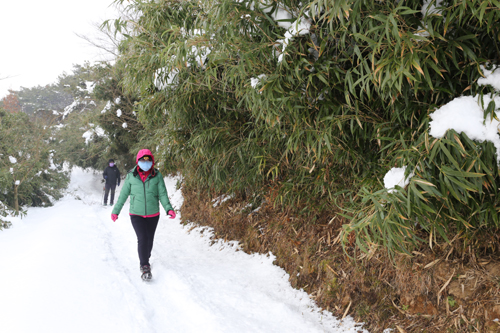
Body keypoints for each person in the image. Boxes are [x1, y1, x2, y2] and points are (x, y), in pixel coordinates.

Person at [111, 149, 176, 281]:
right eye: (143, 160)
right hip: (136, 214)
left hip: (153, 214)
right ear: (138, 161)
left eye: (148, 160)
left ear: (152, 161)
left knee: (149, 239)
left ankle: (145, 256)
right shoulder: (131, 176)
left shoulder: (157, 175)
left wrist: (168, 208)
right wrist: (116, 211)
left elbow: (162, 194)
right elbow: (123, 195)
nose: (145, 163)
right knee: (142, 238)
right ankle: (145, 266)